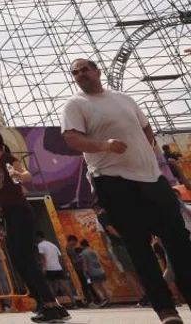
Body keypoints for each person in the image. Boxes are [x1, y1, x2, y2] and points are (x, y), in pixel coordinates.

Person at [61, 58, 191, 324]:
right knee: (139, 247)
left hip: (152, 179)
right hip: (112, 180)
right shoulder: (75, 104)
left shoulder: (124, 99)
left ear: (97, 71)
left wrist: (143, 152)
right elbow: (72, 138)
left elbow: (146, 128)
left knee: (179, 242)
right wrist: (105, 145)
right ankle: (166, 310)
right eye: (75, 72)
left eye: (85, 69)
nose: (81, 74)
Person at [0, 130, 69, 323]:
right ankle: (46, 304)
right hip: (8, 215)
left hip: (20, 212)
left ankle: (50, 305)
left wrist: (19, 174)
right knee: (18, 260)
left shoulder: (8, 159)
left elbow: (27, 175)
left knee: (27, 259)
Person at [35, 232, 75, 307]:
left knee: (49, 285)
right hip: (58, 267)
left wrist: (43, 268)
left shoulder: (40, 245)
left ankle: (54, 302)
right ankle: (73, 301)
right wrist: (63, 268)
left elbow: (43, 258)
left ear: (38, 238)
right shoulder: (53, 245)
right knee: (64, 285)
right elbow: (60, 257)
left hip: (49, 268)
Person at [65, 235, 96, 306]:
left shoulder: (71, 248)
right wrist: (82, 257)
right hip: (80, 269)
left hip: (80, 269)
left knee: (87, 283)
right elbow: (74, 261)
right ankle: (90, 300)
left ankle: (91, 299)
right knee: (86, 283)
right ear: (71, 241)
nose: (76, 244)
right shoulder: (70, 249)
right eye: (75, 242)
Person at [77, 240, 109, 306]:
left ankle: (103, 299)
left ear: (82, 246)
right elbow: (99, 261)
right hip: (100, 271)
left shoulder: (83, 253)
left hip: (92, 272)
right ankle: (108, 299)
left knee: (95, 286)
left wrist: (85, 272)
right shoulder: (94, 251)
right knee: (102, 286)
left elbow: (85, 263)